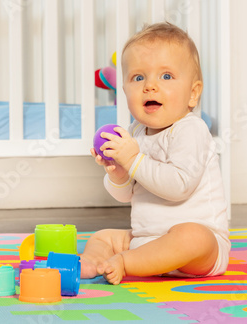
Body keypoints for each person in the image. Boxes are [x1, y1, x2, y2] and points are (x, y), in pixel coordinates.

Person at [80, 22, 230, 285]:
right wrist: (118, 172)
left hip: (199, 250)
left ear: (193, 93)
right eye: (138, 78)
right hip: (147, 239)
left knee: (192, 236)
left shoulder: (191, 129)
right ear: (125, 91)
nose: (150, 86)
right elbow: (124, 195)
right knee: (102, 237)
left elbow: (179, 186)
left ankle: (127, 263)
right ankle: (94, 263)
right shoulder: (136, 132)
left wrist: (133, 160)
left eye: (166, 76)